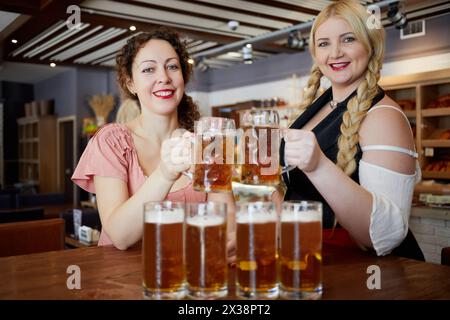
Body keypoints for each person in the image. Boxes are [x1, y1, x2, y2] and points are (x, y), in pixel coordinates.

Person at [280, 0, 424, 260]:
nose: (335, 53)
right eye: (324, 43)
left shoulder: (384, 117)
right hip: (317, 261)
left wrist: (318, 166)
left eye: (348, 39)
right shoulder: (319, 107)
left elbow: (387, 234)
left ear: (371, 45)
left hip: (373, 277)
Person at [72, 27, 235, 256]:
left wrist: (233, 235)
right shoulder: (111, 142)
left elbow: (226, 219)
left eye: (172, 67)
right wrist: (165, 173)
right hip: (121, 284)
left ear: (183, 77)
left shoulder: (207, 143)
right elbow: (120, 236)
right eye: (149, 69)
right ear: (130, 84)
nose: (164, 78)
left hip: (189, 278)